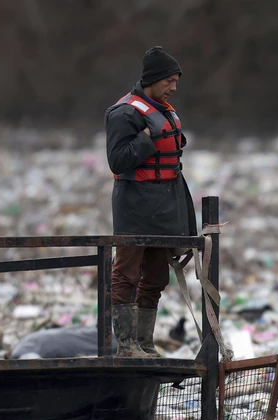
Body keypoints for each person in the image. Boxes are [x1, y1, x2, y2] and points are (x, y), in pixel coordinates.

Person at [104, 46, 196, 357]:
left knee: (156, 276)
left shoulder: (165, 110)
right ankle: (127, 346)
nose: (173, 87)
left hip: (164, 203)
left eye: (176, 82)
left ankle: (145, 343)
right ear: (153, 80)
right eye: (169, 81)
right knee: (126, 273)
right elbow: (117, 160)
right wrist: (148, 139)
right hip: (134, 202)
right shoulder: (125, 112)